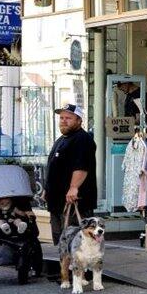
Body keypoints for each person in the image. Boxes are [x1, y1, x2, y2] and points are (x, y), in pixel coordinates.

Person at [45, 103, 97, 245]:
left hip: (74, 201)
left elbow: (82, 166)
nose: (63, 120)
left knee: (75, 240)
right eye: (61, 118)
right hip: (57, 201)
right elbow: (53, 167)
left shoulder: (82, 139)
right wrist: (47, 190)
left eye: (68, 118)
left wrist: (74, 187)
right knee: (62, 240)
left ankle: (77, 267)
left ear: (79, 120)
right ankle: (65, 266)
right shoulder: (62, 140)